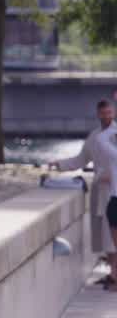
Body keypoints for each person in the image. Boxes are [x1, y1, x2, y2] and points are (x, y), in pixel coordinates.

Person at [50, 99, 117, 279]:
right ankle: (113, 273)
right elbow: (81, 160)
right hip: (100, 191)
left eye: (110, 113)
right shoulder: (94, 137)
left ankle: (114, 275)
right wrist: (60, 164)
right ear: (98, 114)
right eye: (104, 113)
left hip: (114, 189)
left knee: (113, 234)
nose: (107, 116)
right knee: (104, 235)